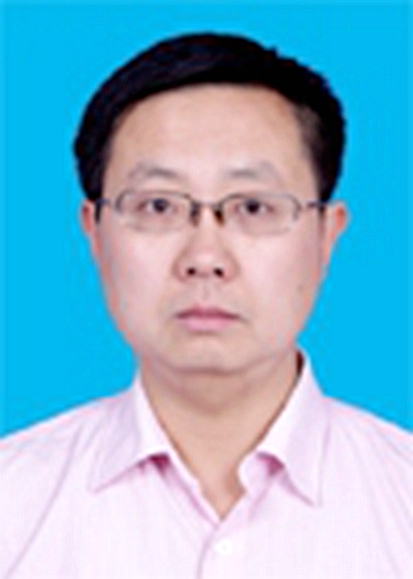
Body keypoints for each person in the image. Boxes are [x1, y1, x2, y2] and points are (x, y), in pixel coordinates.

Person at [1, 32, 412, 579]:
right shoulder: (13, 504)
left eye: (254, 207)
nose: (205, 258)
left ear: (326, 236)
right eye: (158, 206)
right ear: (94, 232)